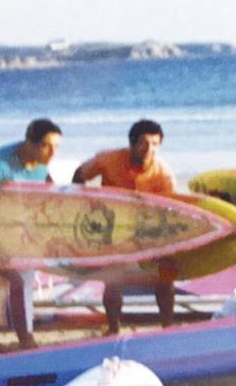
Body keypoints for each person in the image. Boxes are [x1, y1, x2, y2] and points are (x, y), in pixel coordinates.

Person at [72, 119, 177, 335]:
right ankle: (113, 328)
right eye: (144, 144)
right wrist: (83, 205)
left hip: (147, 226)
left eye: (155, 145)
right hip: (114, 226)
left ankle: (168, 327)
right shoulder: (109, 159)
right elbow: (80, 174)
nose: (150, 150)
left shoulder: (162, 173)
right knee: (113, 278)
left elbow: (173, 209)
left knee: (164, 276)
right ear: (131, 144)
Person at [0, 118, 63, 356]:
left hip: (23, 237)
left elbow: (50, 194)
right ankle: (26, 341)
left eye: (56, 147)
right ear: (29, 142)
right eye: (46, 146)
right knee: (14, 285)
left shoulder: (42, 164)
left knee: (14, 288)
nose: (52, 153)